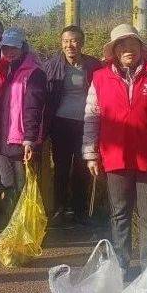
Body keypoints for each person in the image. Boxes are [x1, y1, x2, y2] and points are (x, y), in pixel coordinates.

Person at [83, 23, 147, 274]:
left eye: (133, 44)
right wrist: (91, 153)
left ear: (141, 48)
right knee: (119, 213)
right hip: (115, 157)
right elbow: (91, 117)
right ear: (115, 51)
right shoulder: (100, 78)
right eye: (122, 45)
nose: (128, 49)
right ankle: (122, 266)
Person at [43, 25, 103, 226]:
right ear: (61, 44)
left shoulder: (94, 66)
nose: (70, 45)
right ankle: (59, 209)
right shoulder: (52, 65)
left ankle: (79, 209)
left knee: (81, 168)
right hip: (60, 124)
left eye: (74, 40)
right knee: (60, 167)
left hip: (86, 124)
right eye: (66, 41)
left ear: (82, 43)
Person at [0, 28, 47, 205]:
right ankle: (10, 217)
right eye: (5, 48)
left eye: (14, 48)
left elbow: (33, 108)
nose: (9, 52)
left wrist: (29, 139)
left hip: (19, 139)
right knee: (6, 181)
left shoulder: (34, 73)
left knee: (23, 183)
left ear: (23, 48)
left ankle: (24, 222)